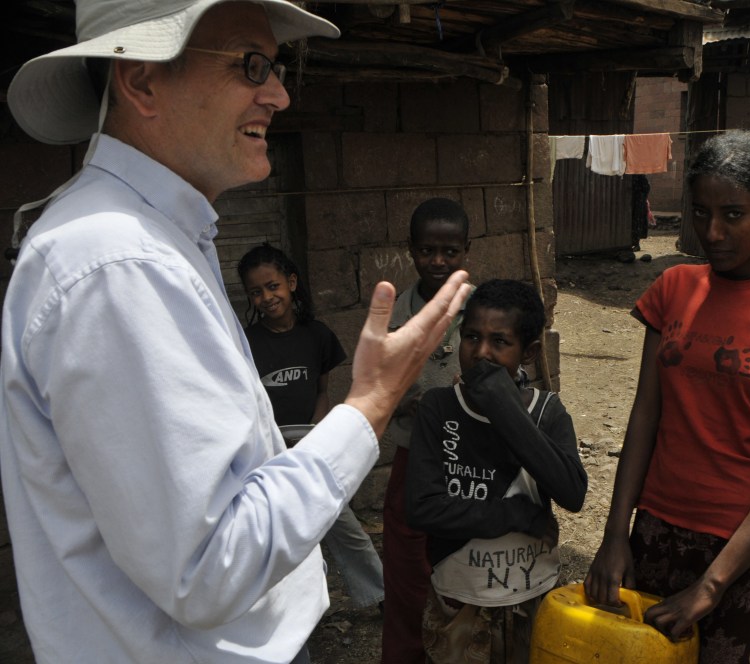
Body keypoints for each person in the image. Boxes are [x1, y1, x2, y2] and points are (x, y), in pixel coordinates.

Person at [0, 1, 470, 662]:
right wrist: (369, 404)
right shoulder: (119, 263)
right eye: (251, 66)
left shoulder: (151, 238)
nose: (278, 95)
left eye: (276, 69)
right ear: (141, 81)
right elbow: (209, 568)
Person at [583, 130, 750, 663]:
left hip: (742, 544)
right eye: (701, 213)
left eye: (733, 214)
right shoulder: (673, 287)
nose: (713, 232)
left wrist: (713, 583)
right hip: (654, 527)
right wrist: (615, 534)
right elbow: (645, 415)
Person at [405, 279, 588, 663]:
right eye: (472, 337)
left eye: (499, 341)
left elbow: (572, 493)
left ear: (528, 352)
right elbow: (423, 508)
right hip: (458, 599)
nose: (481, 352)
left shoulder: (546, 412)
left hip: (531, 596)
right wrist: (517, 515)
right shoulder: (438, 408)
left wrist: (505, 407)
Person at [238, 243, 384, 611]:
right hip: (268, 452)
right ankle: (284, 612)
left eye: (273, 286)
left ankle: (381, 595)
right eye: (256, 292)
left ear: (291, 283)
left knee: (344, 525)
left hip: (310, 446)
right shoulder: (246, 345)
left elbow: (322, 390)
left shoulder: (316, 336)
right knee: (276, 535)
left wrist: (316, 434)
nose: (266, 298)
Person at [381, 197, 473, 663]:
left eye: (449, 252)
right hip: (414, 459)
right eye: (427, 251)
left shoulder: (483, 311)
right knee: (406, 572)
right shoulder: (395, 313)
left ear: (466, 251)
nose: (438, 261)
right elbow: (379, 387)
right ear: (411, 250)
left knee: (464, 570)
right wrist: (410, 402)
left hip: (473, 464)